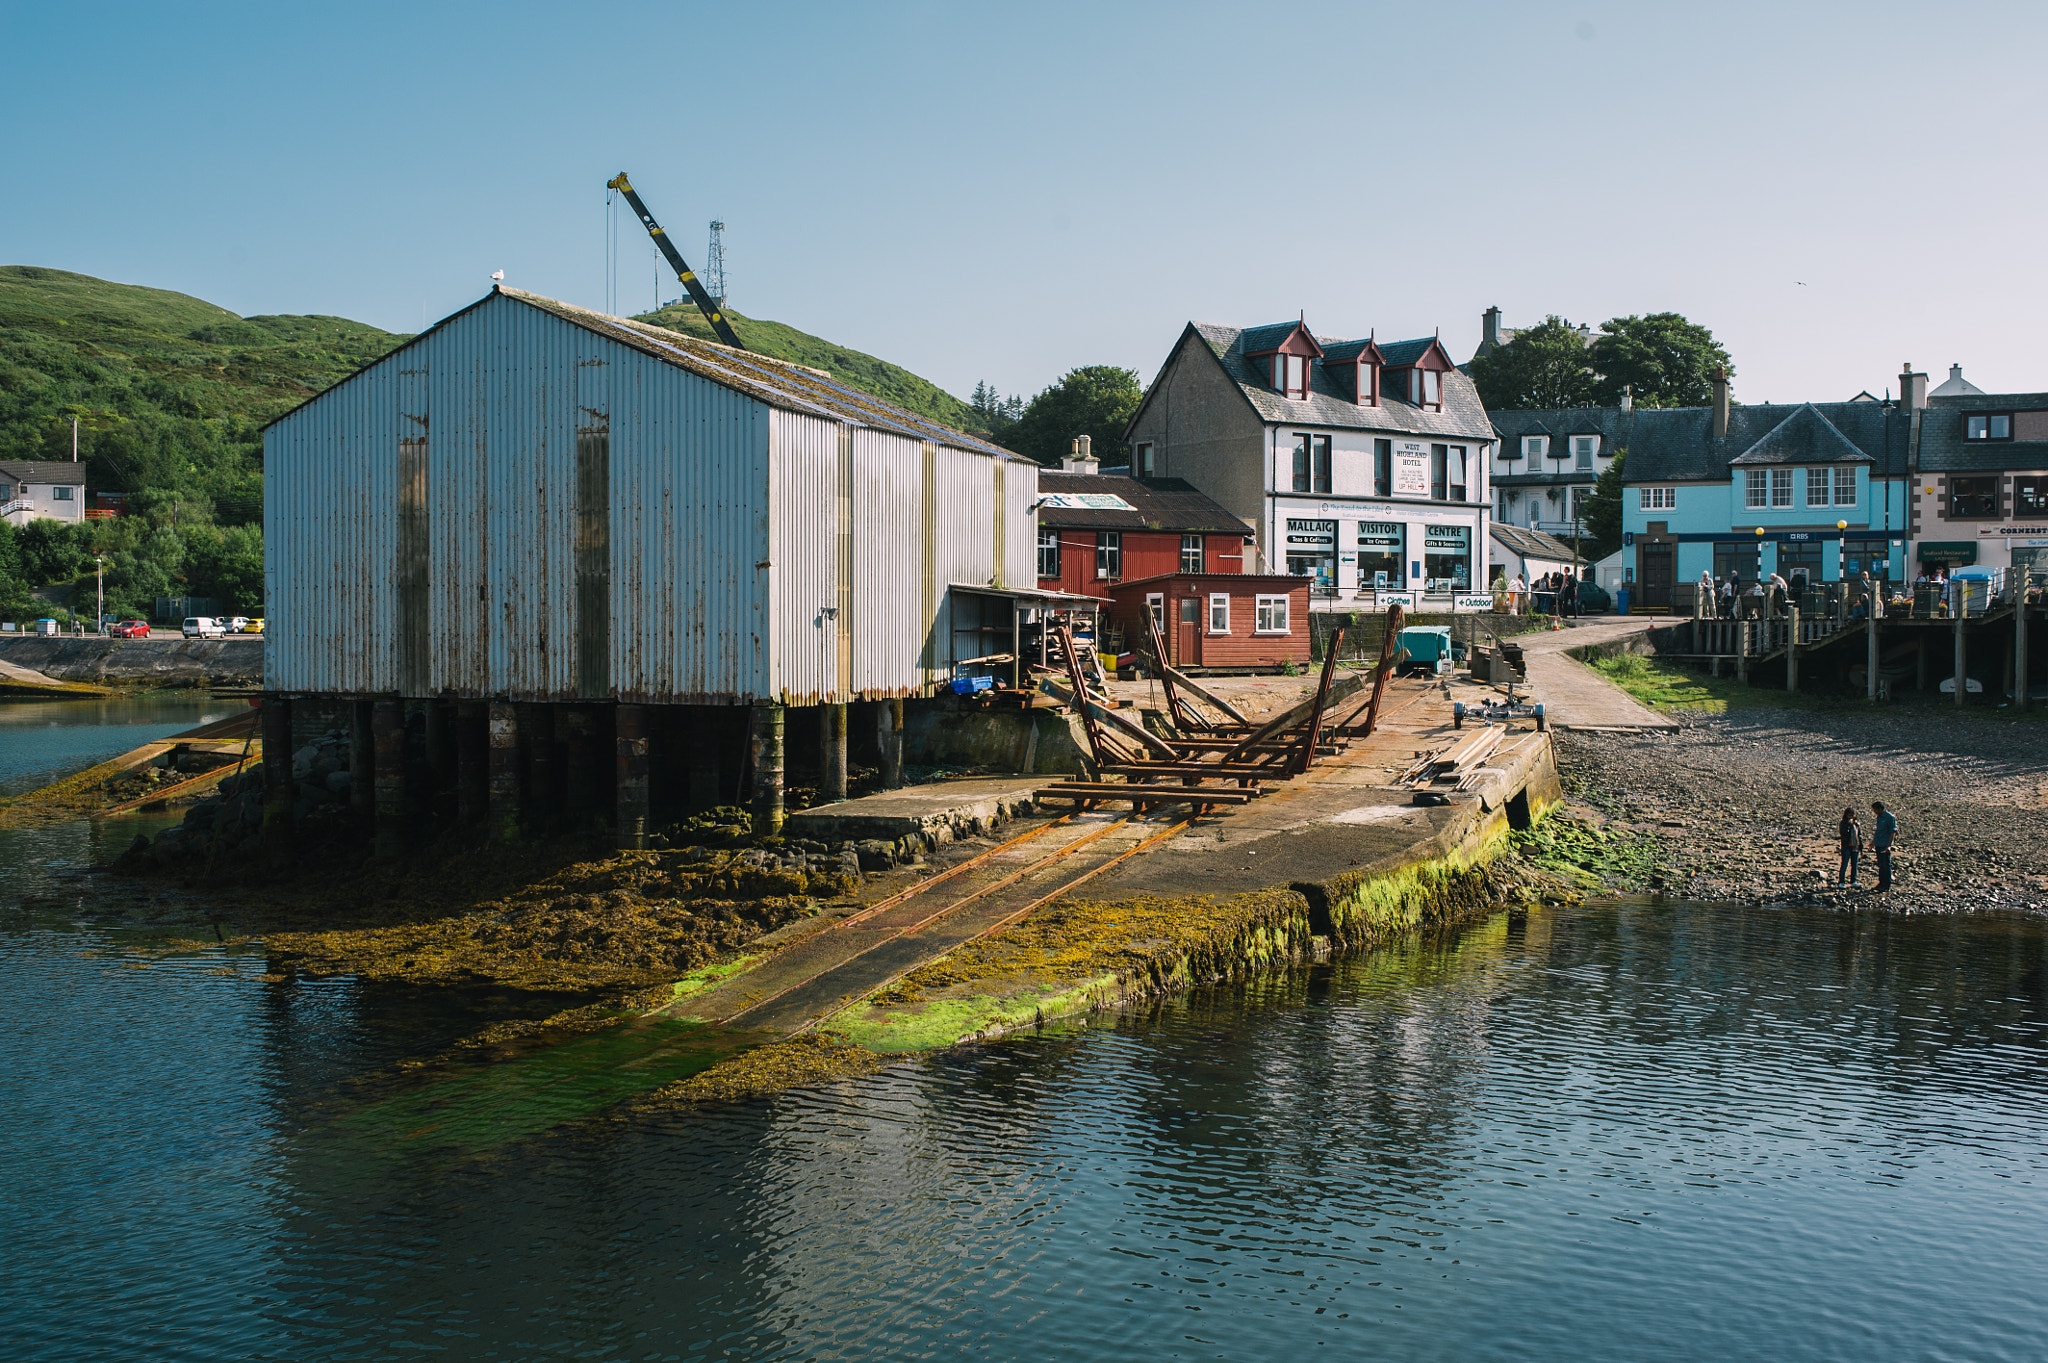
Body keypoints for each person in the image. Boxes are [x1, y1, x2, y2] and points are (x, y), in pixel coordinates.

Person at [1871, 800, 1896, 890]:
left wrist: (1889, 845)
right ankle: (1881, 883)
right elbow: (1878, 830)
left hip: (1885, 844)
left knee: (1886, 864)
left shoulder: (1890, 817)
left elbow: (1893, 832)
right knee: (1881, 864)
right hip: (1878, 843)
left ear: (1880, 809)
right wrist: (1873, 842)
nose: (1875, 812)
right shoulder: (1879, 817)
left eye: (1875, 810)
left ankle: (1887, 884)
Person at [1837, 807, 1863, 887]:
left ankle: (1853, 881)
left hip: (1855, 846)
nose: (1851, 816)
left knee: (1854, 864)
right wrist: (1848, 826)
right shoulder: (1843, 823)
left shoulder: (1856, 824)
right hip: (1846, 846)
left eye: (1852, 815)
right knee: (1844, 864)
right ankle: (1841, 881)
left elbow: (1859, 835)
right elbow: (1843, 833)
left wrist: (1861, 845)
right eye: (1849, 815)